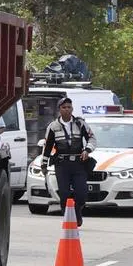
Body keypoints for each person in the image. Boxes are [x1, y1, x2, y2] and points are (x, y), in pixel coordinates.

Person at [41, 97, 98, 226]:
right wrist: (44, 164)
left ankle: (78, 212)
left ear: (72, 109)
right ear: (59, 110)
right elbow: (48, 147)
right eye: (64, 107)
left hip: (79, 163)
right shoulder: (53, 126)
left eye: (69, 107)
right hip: (62, 164)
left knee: (81, 193)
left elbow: (92, 139)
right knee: (64, 194)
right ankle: (67, 218)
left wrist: (87, 150)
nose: (67, 110)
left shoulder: (80, 123)